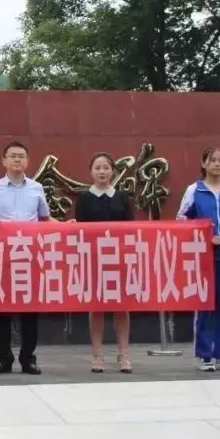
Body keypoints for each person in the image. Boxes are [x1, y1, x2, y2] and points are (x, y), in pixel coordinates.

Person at [0, 140, 50, 376]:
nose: (17, 160)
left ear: (28, 161)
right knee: (2, 309)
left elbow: (45, 220)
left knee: (30, 309)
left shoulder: (37, 188)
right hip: (2, 256)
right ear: (4, 161)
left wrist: (66, 227)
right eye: (12, 156)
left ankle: (28, 358)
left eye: (21, 156)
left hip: (30, 255)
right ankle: (4, 358)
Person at [177, 147, 220, 372]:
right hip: (203, 259)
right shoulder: (194, 190)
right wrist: (201, 235)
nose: (217, 164)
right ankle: (205, 355)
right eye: (212, 160)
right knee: (205, 307)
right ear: (204, 163)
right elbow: (182, 219)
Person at [74, 152, 135, 374]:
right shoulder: (84, 199)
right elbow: (80, 231)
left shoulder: (122, 198)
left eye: (106, 167)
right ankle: (97, 356)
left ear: (112, 171)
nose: (102, 172)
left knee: (121, 308)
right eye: (97, 167)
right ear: (91, 172)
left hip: (119, 260)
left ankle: (124, 355)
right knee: (96, 309)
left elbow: (131, 230)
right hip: (94, 260)